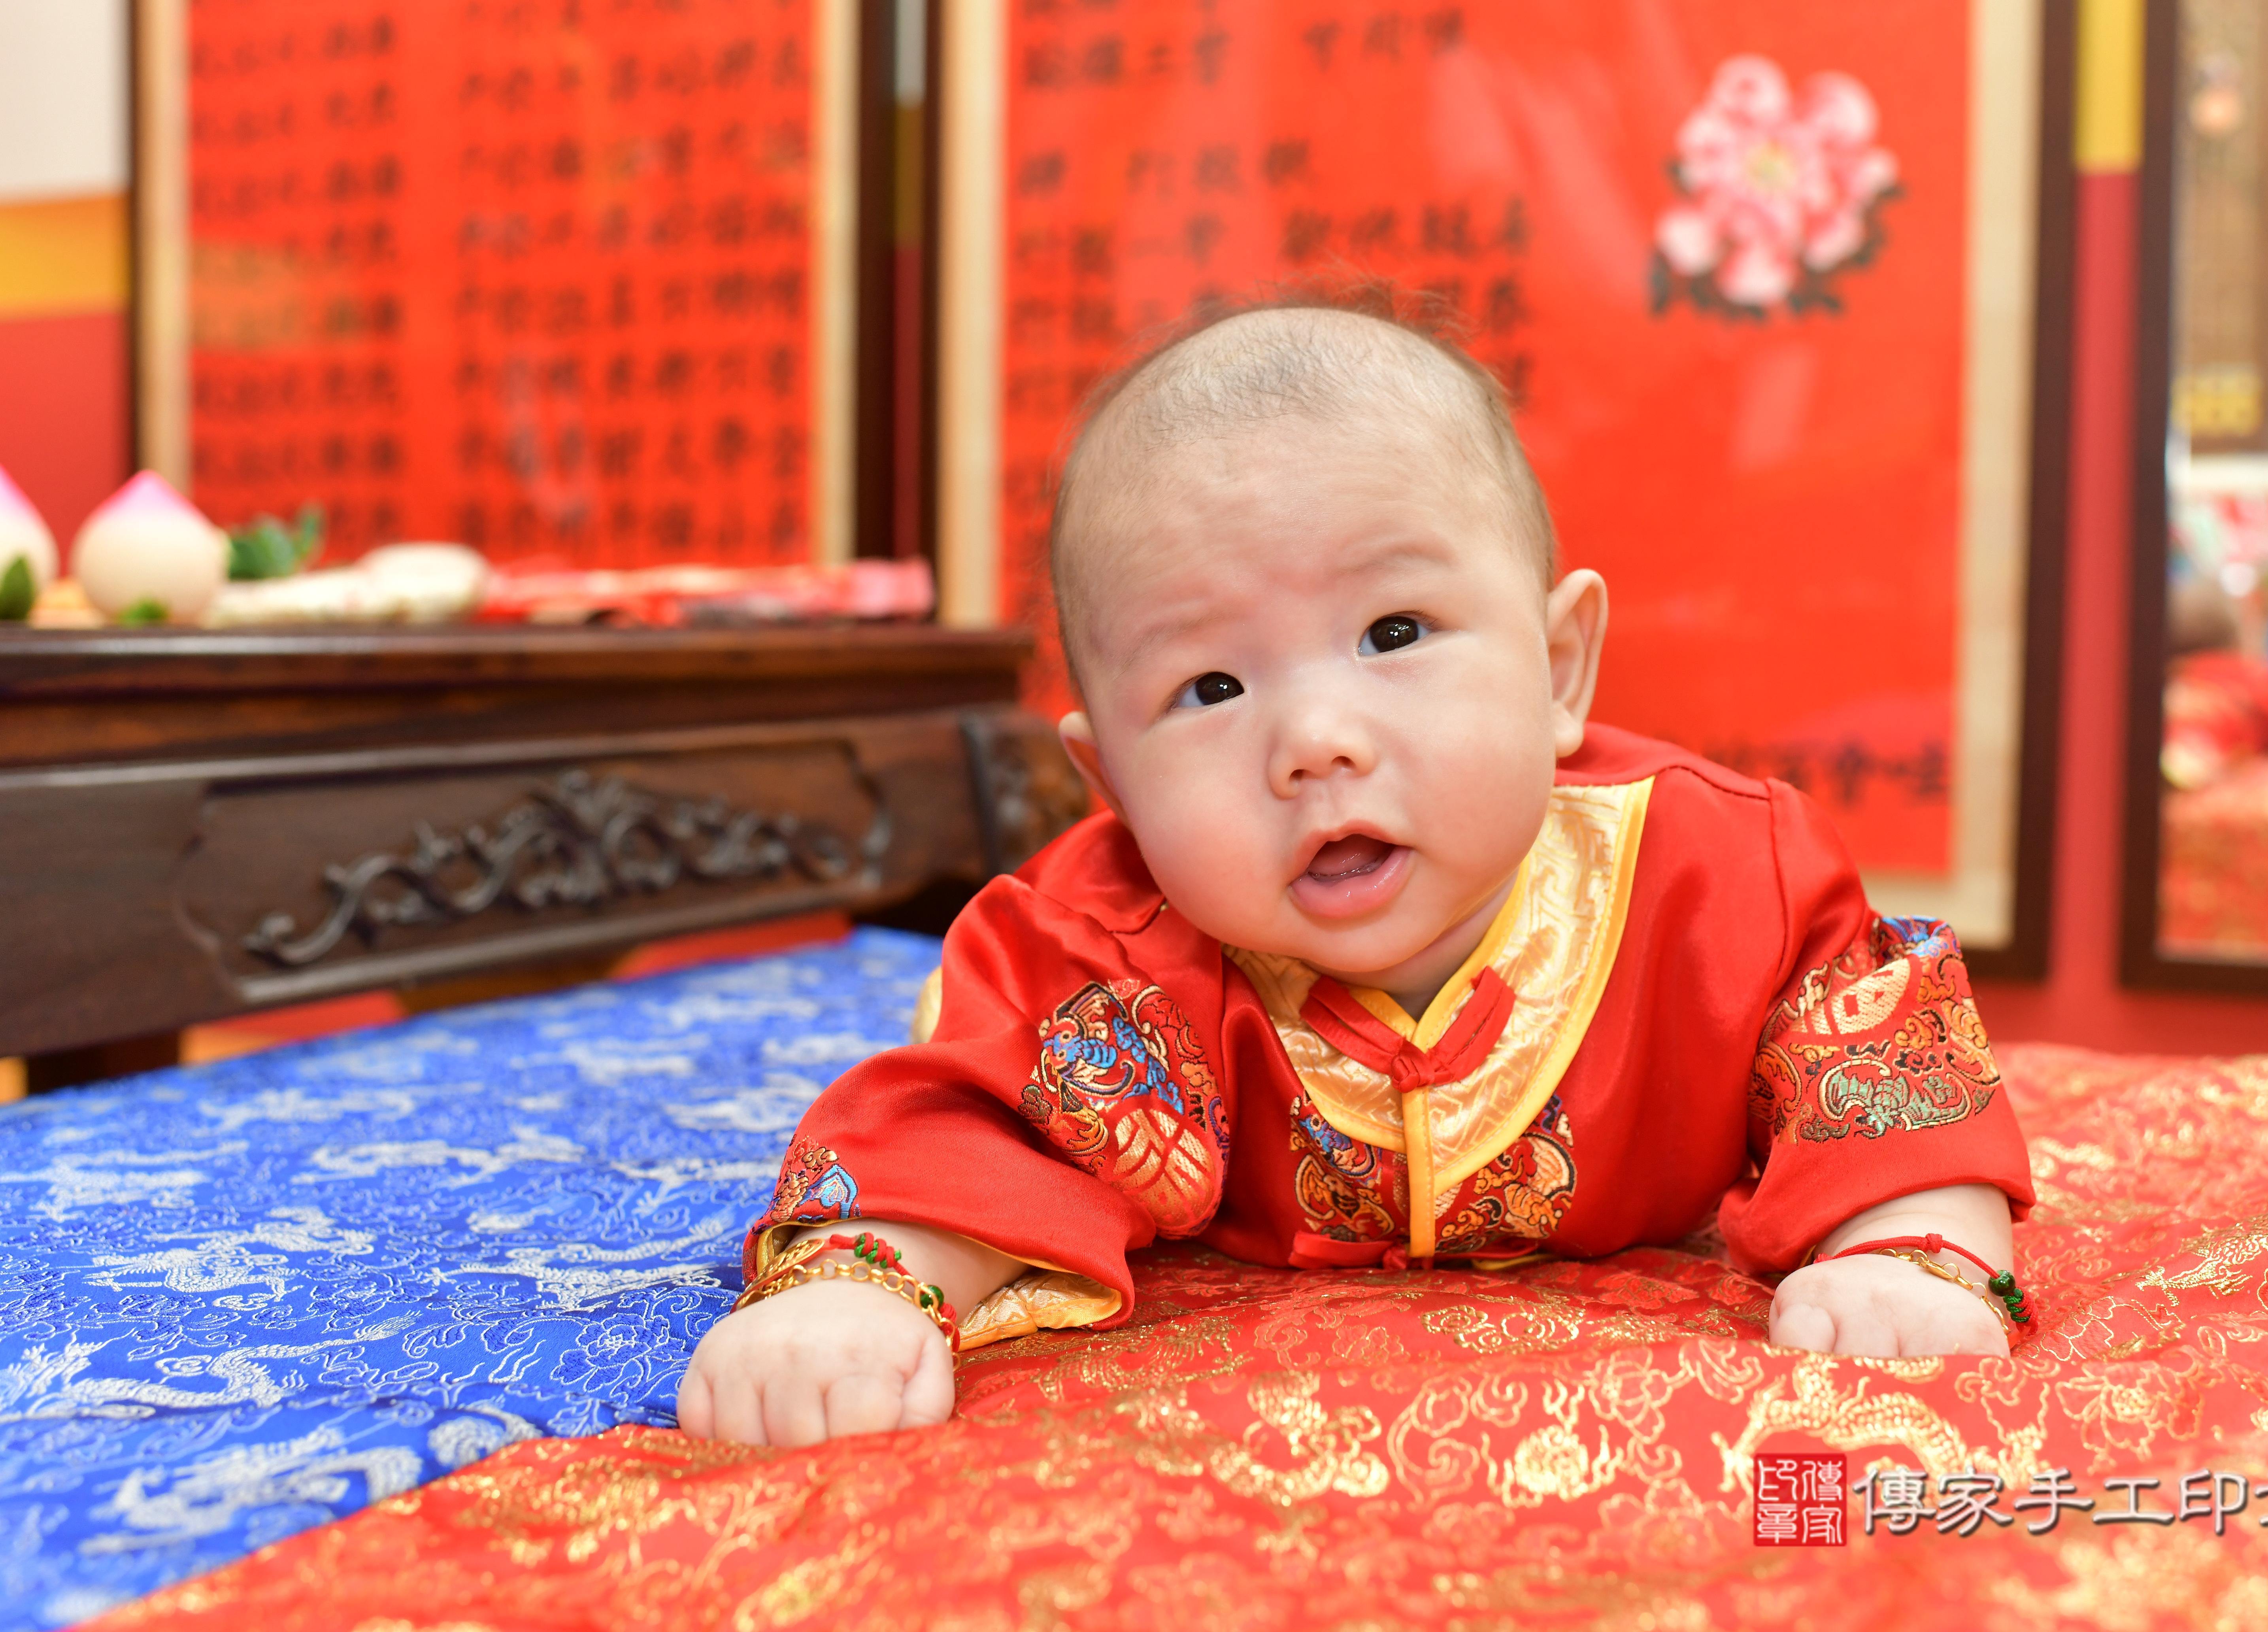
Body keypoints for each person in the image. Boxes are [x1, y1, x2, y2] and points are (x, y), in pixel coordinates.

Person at [679, 297, 2035, 1448]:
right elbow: (962, 1130)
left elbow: (1877, 1070)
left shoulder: (1723, 873)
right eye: (1210, 686)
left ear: (1560, 669)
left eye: (1395, 631)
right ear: (1115, 785)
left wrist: (1912, 1247)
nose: (1315, 742)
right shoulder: (1098, 952)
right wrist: (864, 1293)